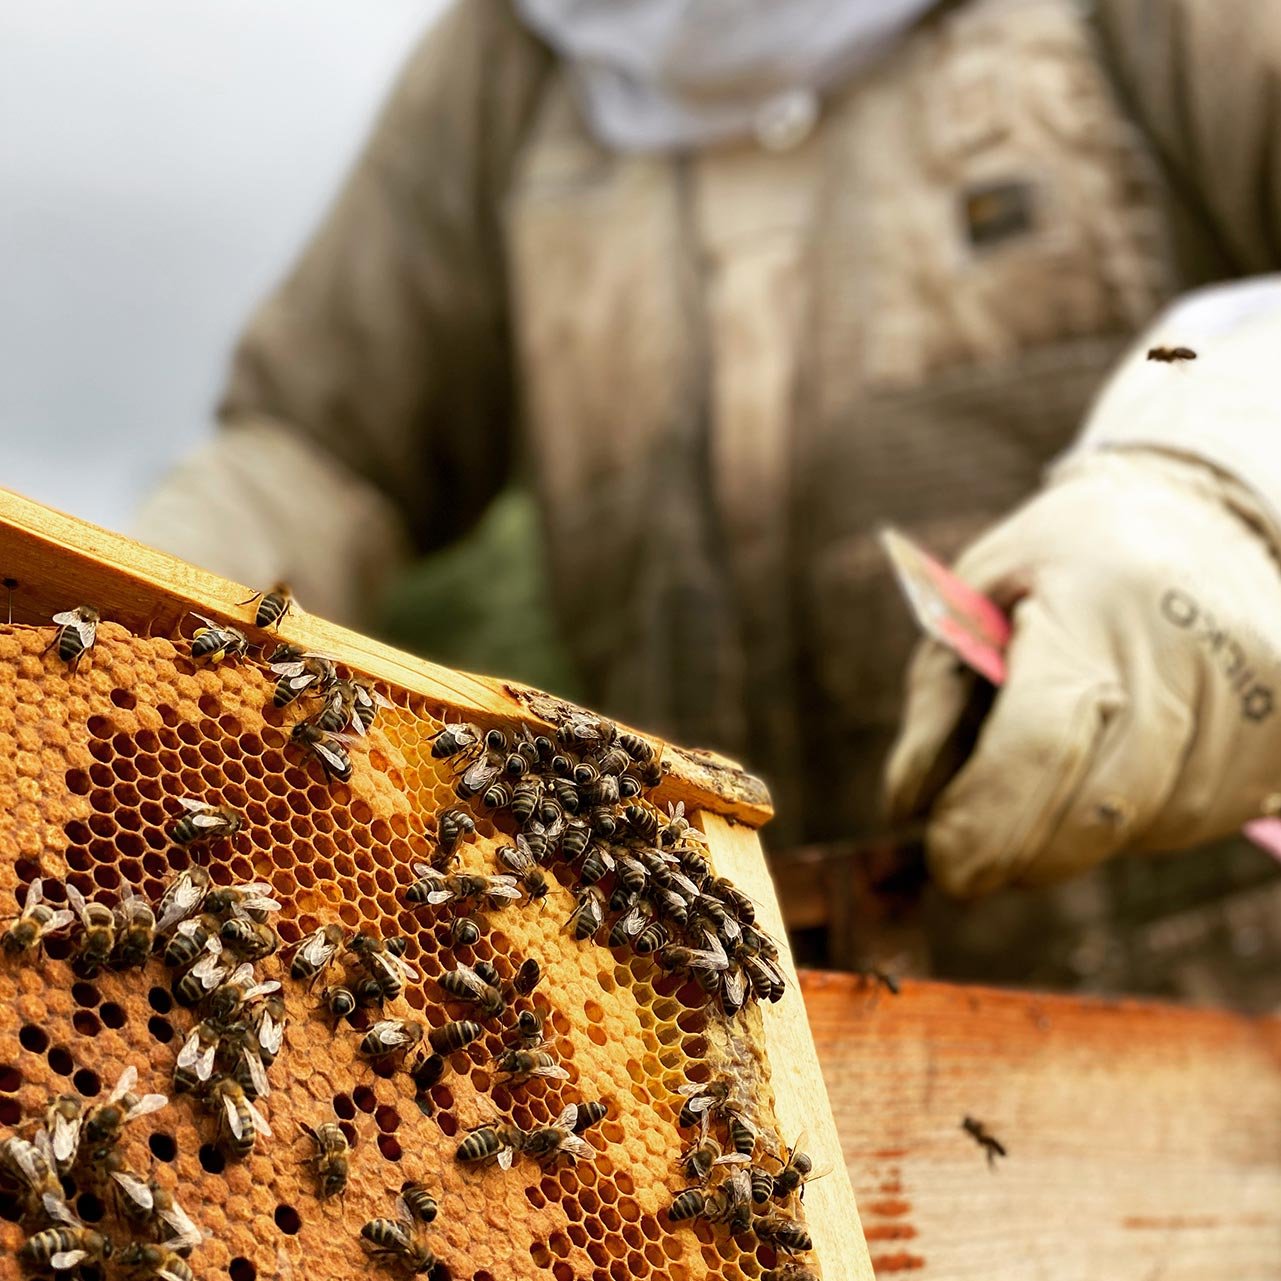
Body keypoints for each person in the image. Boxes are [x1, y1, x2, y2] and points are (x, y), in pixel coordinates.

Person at [137, 0, 1281, 1004]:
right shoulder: (514, 57)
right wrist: (93, 634)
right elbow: (321, 448)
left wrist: (1226, 503)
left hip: (1215, 1048)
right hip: (721, 1045)